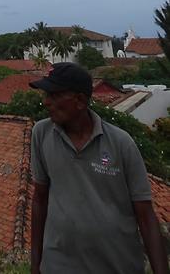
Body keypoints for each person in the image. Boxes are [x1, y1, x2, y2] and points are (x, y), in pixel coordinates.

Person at [29, 61, 168, 274]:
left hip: (118, 266)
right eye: (45, 95)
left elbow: (146, 216)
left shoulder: (121, 144)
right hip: (58, 266)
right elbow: (40, 199)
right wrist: (35, 264)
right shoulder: (41, 134)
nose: (46, 102)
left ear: (80, 101)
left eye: (54, 95)